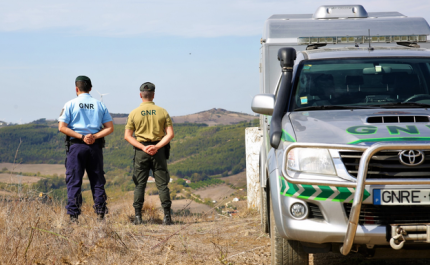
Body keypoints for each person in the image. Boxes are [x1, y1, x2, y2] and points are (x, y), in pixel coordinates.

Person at [58, 75, 114, 223]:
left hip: (76, 146)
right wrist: (94, 136)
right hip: (94, 147)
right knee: (97, 180)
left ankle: (74, 216)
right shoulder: (99, 105)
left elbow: (62, 127)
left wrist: (81, 137)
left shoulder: (70, 104)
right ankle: (101, 214)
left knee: (74, 180)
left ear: (76, 89)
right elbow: (109, 128)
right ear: (90, 89)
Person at [124, 82, 174, 225]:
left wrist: (143, 147)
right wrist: (157, 146)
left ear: (141, 95)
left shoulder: (134, 113)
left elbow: (127, 136)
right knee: (162, 185)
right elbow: (170, 134)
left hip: (141, 151)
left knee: (139, 185)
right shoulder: (162, 111)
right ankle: (167, 217)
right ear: (153, 95)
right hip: (159, 150)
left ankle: (138, 217)